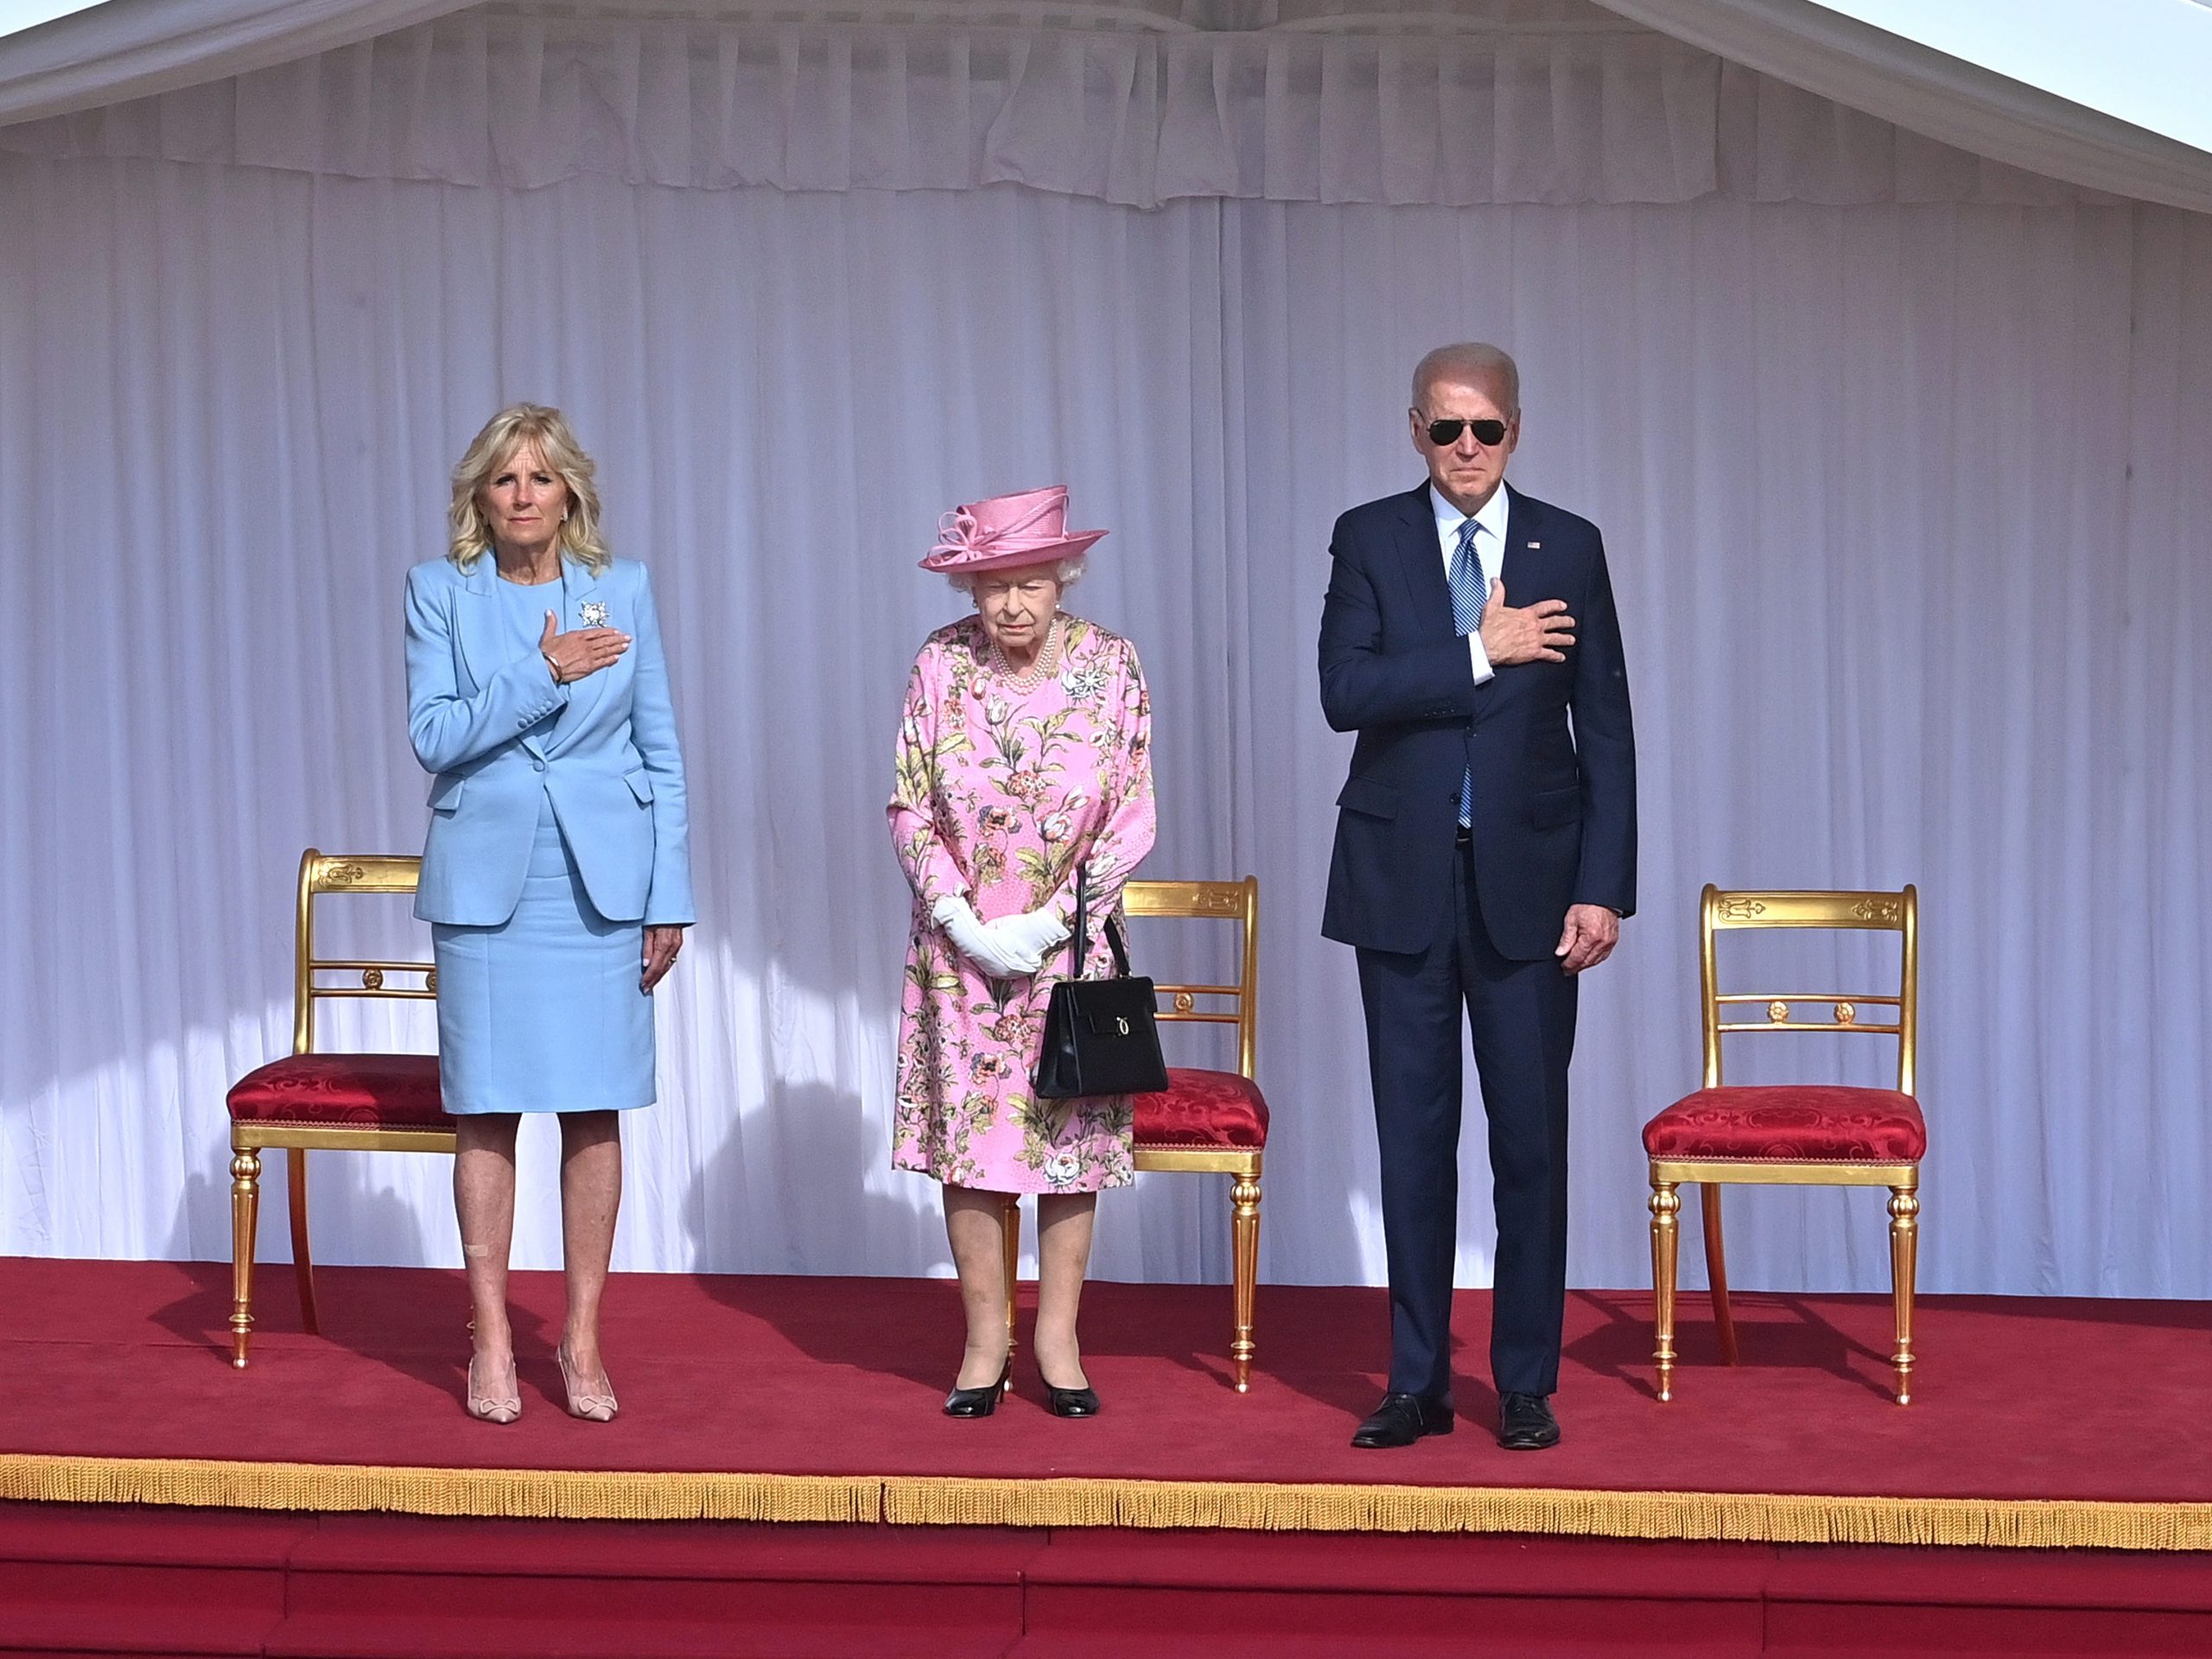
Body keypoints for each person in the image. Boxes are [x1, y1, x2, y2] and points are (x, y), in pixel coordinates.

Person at [1318, 343, 1635, 1451]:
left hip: (1532, 893)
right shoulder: (1368, 537)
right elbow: (1342, 693)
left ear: (1515, 430)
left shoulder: (1571, 546)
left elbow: (1605, 729)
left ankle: (1526, 1381)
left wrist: (1604, 887)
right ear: (1413, 429)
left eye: (1484, 429)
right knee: (1414, 1139)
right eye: (1444, 428)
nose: (1464, 449)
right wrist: (1478, 651)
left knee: (1530, 1142)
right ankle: (1415, 1383)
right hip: (1398, 882)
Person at [404, 404, 692, 1424]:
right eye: (503, 480)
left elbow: (660, 751)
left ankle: (580, 1338)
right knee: (485, 1106)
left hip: (600, 886)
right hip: (486, 885)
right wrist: (543, 671)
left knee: (592, 1104)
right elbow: (434, 736)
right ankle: (489, 1337)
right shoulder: (438, 593)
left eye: (540, 478)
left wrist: (670, 895)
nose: (523, 495)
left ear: (571, 490)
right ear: (479, 496)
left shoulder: (625, 590)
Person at [887, 485, 1156, 1418]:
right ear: (969, 588)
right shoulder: (938, 665)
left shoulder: (1111, 666)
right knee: (971, 1145)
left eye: (1029, 583)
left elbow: (1131, 812)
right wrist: (962, 920)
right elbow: (909, 802)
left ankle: (1058, 1338)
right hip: (959, 952)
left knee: (1066, 1142)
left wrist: (1048, 925)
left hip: (1070, 949)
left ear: (1062, 578)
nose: (1010, 604)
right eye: (993, 584)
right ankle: (982, 1342)